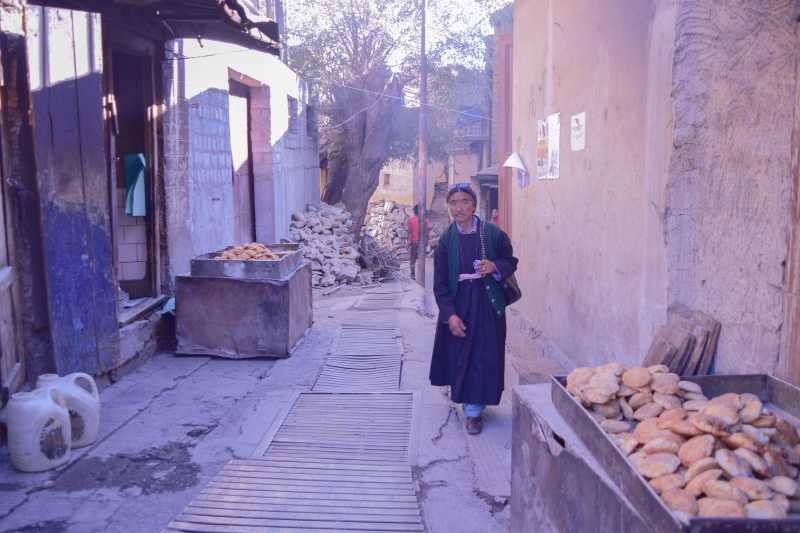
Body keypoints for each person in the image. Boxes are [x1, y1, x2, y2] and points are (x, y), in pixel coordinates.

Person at [429, 182, 518, 435]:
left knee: (485, 355)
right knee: (463, 356)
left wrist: (494, 266)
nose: (459, 207)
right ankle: (471, 411)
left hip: (488, 306)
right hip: (460, 306)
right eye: (453, 202)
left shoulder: (493, 234)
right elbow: (440, 284)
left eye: (464, 201)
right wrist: (450, 315)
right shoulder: (446, 241)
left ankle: (476, 408)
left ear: (474, 205)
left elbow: (510, 261)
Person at [407, 205, 429, 280]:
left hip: (414, 242)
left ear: (414, 211)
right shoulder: (425, 220)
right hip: (422, 243)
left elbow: (409, 232)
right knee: (421, 258)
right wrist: (426, 242)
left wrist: (409, 242)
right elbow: (426, 233)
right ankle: (421, 274)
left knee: (412, 259)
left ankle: (412, 274)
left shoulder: (410, 220)